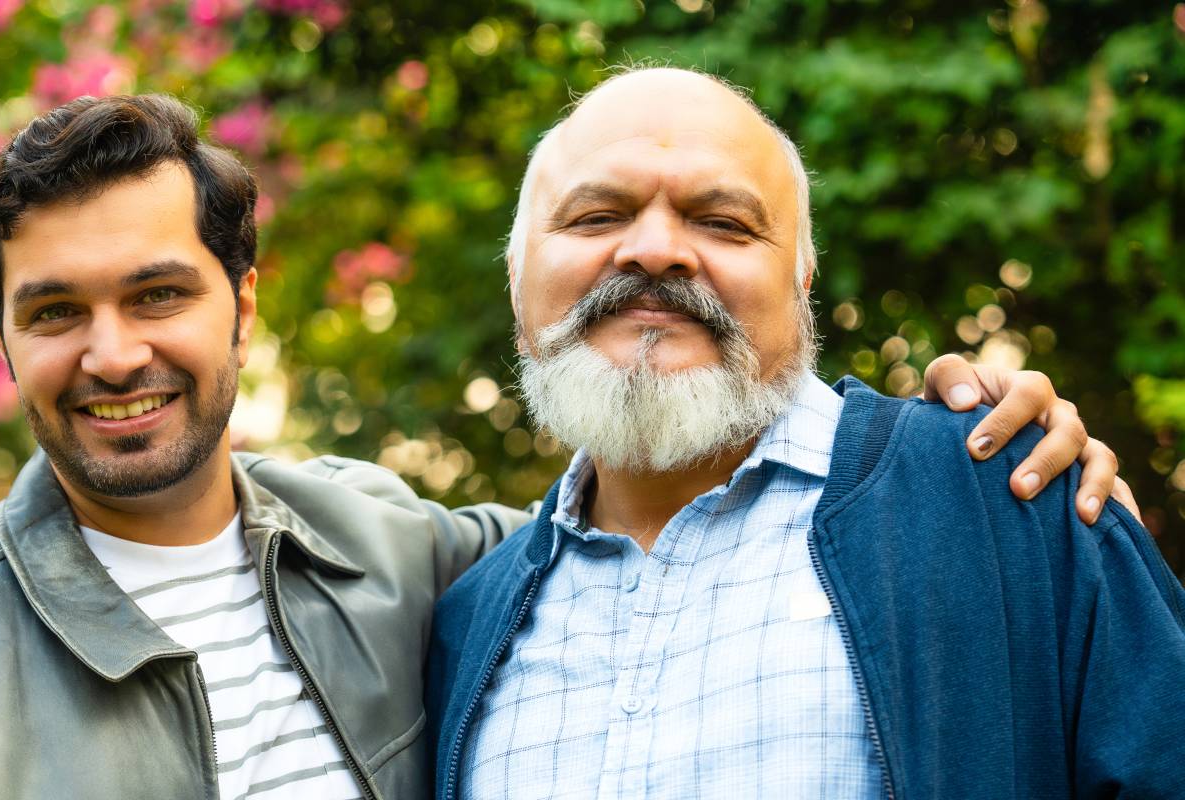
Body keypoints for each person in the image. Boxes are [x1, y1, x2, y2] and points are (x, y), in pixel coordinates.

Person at [0, 93, 1124, 799]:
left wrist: (998, 451)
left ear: (242, 301)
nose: (116, 353)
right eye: (55, 312)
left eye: (158, 294)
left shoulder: (424, 568)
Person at [427, 68, 1184, 799]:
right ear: (519, 278)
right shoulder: (465, 627)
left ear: (801, 283)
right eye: (596, 216)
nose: (655, 250)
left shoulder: (1016, 500)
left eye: (723, 223)